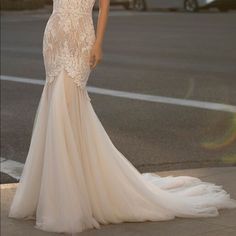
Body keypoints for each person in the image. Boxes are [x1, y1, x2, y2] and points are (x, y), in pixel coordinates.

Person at [8, 0, 236, 234]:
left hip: (80, 37)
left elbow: (105, 6)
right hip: (54, 37)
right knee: (54, 105)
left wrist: (98, 43)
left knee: (66, 106)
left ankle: (67, 197)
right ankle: (55, 192)